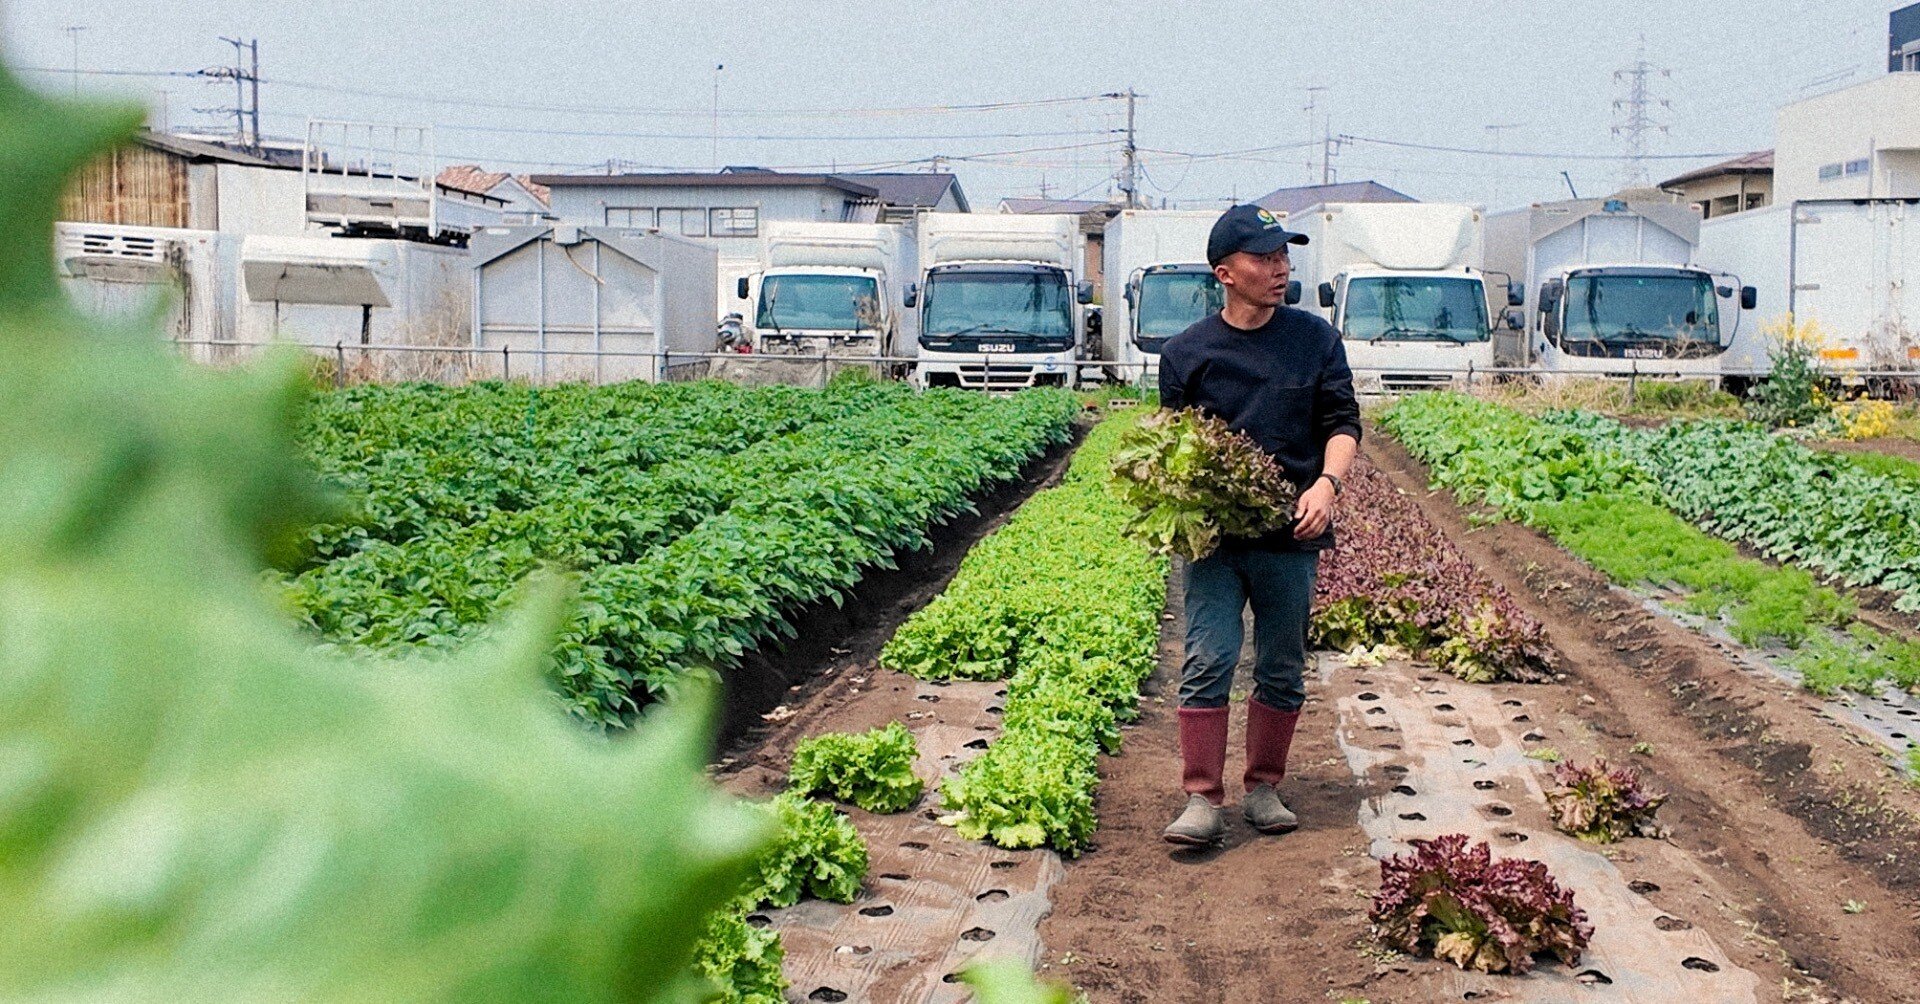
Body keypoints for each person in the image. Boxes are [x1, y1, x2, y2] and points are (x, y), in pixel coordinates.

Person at [1155, 204, 1361, 846]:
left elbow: (1343, 424)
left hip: (1292, 538)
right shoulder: (1185, 353)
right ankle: (1201, 799)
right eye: (1265, 259)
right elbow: (1172, 445)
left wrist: (1326, 486)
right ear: (1225, 272)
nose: (1281, 269)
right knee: (1208, 659)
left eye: (1284, 257)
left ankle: (1264, 786)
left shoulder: (1315, 339)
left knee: (1281, 663)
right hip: (1215, 543)